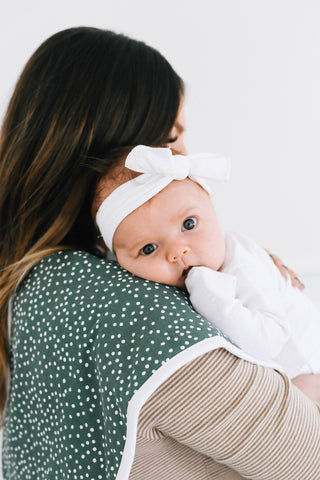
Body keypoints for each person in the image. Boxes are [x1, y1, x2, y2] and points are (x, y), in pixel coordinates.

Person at [0, 27, 319, 480]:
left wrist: (235, 260)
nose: (185, 156)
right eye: (170, 140)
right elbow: (308, 458)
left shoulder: (41, 278)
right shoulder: (150, 325)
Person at [95, 145, 320, 386]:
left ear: (212, 208)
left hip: (304, 362)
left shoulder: (243, 266)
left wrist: (212, 298)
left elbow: (269, 342)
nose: (178, 252)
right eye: (148, 248)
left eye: (189, 224)